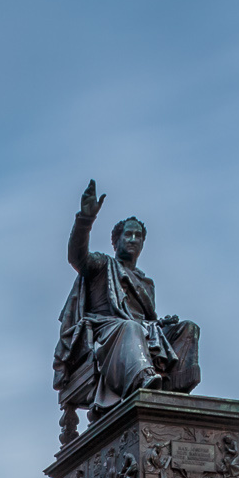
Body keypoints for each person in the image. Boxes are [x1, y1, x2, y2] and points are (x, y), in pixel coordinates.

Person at [54, 181, 201, 439]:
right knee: (130, 327)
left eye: (138, 236)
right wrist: (85, 220)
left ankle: (175, 391)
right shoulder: (102, 264)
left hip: (139, 332)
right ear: (116, 241)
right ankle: (143, 377)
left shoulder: (147, 283)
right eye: (128, 235)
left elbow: (148, 319)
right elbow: (77, 257)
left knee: (188, 328)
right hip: (106, 330)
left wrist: (162, 324)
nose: (133, 239)